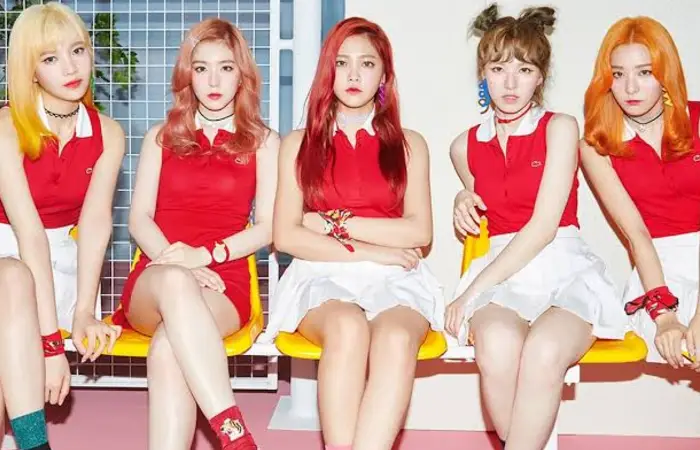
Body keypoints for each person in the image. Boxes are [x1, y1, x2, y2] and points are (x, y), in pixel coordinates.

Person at [444, 4, 628, 449]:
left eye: (523, 70)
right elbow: (484, 199)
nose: (510, 83)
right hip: (503, 271)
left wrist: (469, 293)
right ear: (483, 74)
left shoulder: (560, 128)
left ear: (540, 77)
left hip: (562, 264)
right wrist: (461, 198)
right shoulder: (463, 146)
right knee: (495, 344)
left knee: (544, 352)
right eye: (498, 69)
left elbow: (544, 226)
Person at [263, 17, 443, 450]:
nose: (354, 75)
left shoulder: (410, 144)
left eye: (367, 63)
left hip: (397, 276)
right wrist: (372, 249)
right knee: (347, 327)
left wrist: (332, 223)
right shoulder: (297, 144)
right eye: (342, 63)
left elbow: (418, 232)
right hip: (320, 273)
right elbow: (287, 237)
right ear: (328, 72)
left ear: (384, 75)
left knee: (396, 337)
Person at [111, 18, 279, 450]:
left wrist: (204, 256)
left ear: (242, 74)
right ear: (189, 75)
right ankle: (236, 436)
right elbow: (139, 219)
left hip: (224, 279)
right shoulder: (160, 137)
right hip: (157, 272)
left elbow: (268, 227)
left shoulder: (264, 142)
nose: (213, 81)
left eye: (226, 68)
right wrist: (179, 261)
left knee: (169, 347)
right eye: (202, 68)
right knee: (174, 282)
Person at [0, 3, 124, 449]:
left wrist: (85, 310)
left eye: (77, 51)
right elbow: (27, 232)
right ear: (30, 70)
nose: (71, 68)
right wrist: (52, 347)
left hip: (60, 264)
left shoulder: (108, 133)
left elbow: (95, 224)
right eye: (50, 58)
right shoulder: (6, 127)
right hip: (10, 252)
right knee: (12, 278)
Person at [581, 16, 700, 370]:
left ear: (665, 74)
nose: (630, 87)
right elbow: (637, 235)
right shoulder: (596, 147)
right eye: (618, 74)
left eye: (645, 72)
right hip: (659, 271)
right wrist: (665, 316)